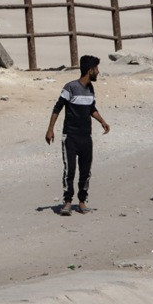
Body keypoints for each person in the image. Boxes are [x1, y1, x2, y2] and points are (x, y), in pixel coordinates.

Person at [46, 55, 110, 216]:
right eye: (96, 69)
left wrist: (102, 121)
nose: (98, 72)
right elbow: (57, 107)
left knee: (85, 171)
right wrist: (50, 129)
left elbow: (91, 108)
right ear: (90, 70)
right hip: (70, 137)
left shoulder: (90, 89)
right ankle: (67, 202)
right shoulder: (70, 87)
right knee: (70, 170)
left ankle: (81, 201)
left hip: (86, 137)